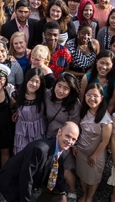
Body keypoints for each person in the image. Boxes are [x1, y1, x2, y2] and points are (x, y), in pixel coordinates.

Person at [0, 122, 80, 202]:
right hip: (12, 181)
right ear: (59, 132)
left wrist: (62, 193)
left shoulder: (64, 151)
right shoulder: (39, 150)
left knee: (55, 190)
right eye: (67, 136)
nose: (70, 141)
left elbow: (59, 171)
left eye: (73, 139)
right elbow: (26, 178)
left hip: (34, 177)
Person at [44, 72, 81, 201]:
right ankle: (54, 189)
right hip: (49, 136)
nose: (60, 91)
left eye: (65, 88)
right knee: (49, 165)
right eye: (59, 86)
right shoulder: (48, 95)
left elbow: (75, 124)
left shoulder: (74, 104)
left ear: (71, 91)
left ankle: (72, 190)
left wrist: (73, 143)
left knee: (66, 168)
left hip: (65, 139)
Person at [75, 83, 113, 202]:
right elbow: (78, 130)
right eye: (89, 95)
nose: (92, 98)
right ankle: (85, 193)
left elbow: (105, 140)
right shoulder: (82, 111)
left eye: (95, 96)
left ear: (102, 98)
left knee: (94, 178)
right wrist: (75, 145)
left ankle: (90, 196)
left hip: (96, 154)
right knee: (82, 175)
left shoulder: (106, 118)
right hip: (81, 151)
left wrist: (95, 156)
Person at [12, 68, 47, 154]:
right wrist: (14, 112)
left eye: (37, 82)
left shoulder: (44, 95)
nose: (34, 84)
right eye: (31, 80)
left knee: (37, 154)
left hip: (38, 129)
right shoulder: (17, 95)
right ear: (27, 79)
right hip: (22, 131)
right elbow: (12, 108)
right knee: (22, 154)